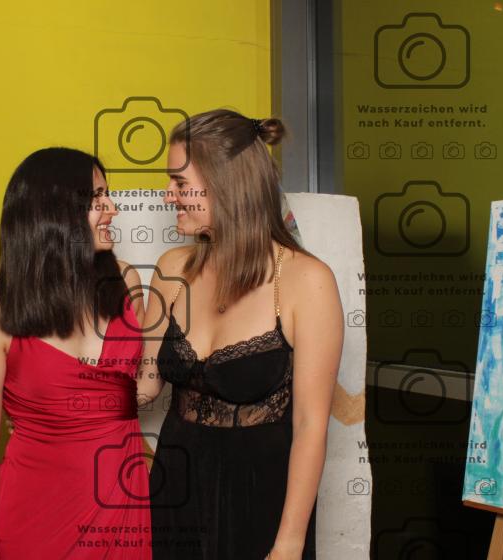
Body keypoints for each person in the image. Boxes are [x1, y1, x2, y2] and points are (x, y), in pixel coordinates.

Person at [135, 110, 344, 560]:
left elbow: (310, 426)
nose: (168, 194)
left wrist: (289, 543)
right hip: (176, 486)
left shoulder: (307, 281)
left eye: (179, 182)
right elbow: (145, 386)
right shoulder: (172, 270)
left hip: (259, 498)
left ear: (224, 183)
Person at [0, 147, 152, 559]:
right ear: (55, 213)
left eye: (108, 195)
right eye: (97, 198)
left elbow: (137, 388)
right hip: (35, 519)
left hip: (122, 514)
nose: (112, 208)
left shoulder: (126, 284)